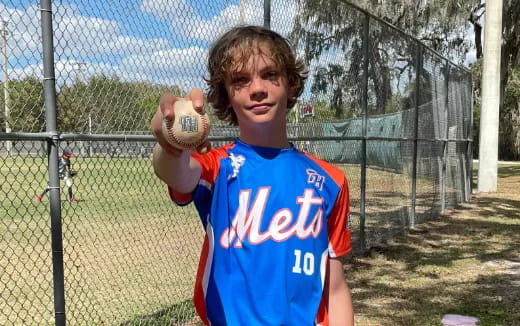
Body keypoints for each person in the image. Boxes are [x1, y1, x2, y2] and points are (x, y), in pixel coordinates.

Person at [151, 25, 354, 325]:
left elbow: (335, 289)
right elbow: (176, 171)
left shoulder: (330, 181)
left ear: (290, 84)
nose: (257, 88)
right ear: (226, 95)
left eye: (270, 74)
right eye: (240, 80)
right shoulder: (217, 167)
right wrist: (169, 143)